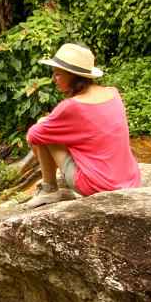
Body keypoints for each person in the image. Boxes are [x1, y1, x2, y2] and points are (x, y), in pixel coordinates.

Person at [25, 43, 141, 208]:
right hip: (130, 181)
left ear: (73, 76)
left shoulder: (72, 106)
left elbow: (33, 136)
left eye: (57, 74)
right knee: (52, 130)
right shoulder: (112, 92)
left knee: (43, 127)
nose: (53, 79)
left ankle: (49, 189)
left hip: (98, 186)